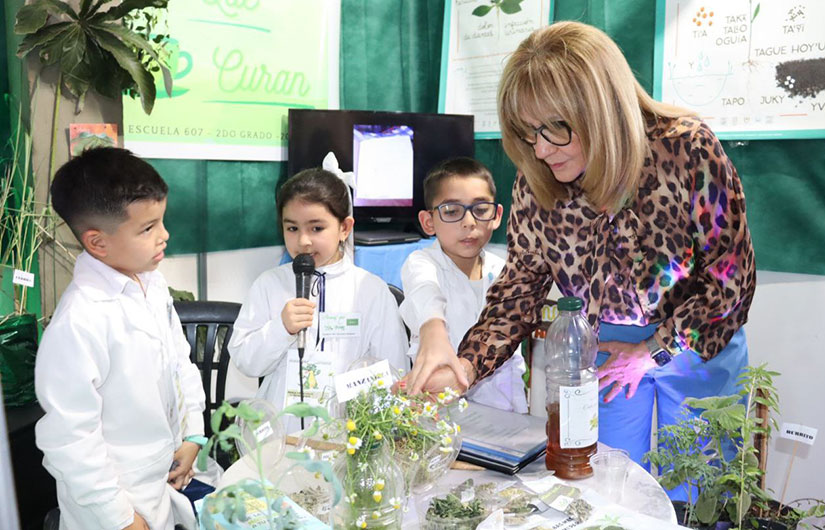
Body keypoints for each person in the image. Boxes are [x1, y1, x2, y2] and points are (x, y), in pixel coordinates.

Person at [405, 21, 756, 488]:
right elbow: (518, 289)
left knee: (701, 487)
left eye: (556, 129)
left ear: (601, 110)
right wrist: (465, 366)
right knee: (603, 482)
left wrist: (654, 349)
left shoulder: (685, 148)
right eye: (529, 133)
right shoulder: (536, 178)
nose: (542, 149)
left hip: (697, 337)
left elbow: (731, 279)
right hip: (602, 344)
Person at [35, 147, 207, 530]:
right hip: (113, 508)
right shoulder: (80, 321)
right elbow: (70, 440)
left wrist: (193, 430)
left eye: (162, 220)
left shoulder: (151, 281)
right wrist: (121, 519)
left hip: (158, 484)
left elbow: (180, 360)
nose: (165, 236)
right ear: (97, 243)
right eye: (148, 228)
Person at [229, 168, 409, 431]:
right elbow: (247, 362)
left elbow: (394, 370)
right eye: (292, 228)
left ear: (344, 228)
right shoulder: (269, 284)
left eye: (316, 228)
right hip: (280, 430)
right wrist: (281, 328)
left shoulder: (371, 290)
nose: (303, 241)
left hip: (348, 432)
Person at [400, 157, 528, 412]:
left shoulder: (504, 270)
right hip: (442, 416)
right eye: (451, 211)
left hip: (508, 416)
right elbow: (425, 292)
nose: (469, 222)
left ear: (496, 216)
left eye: (480, 209)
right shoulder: (422, 263)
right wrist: (433, 330)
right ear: (428, 222)